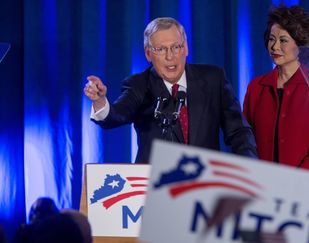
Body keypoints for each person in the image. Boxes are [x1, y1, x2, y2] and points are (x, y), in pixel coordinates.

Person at [84, 17, 257, 163]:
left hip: (204, 185)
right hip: (155, 187)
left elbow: (238, 131)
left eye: (176, 47)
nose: (170, 56)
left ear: (186, 48)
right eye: (161, 49)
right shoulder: (138, 84)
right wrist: (100, 101)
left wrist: (248, 168)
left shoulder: (213, 78)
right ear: (148, 54)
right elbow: (116, 115)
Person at [243, 5, 309, 173]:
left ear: (300, 44)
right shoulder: (256, 87)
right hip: (263, 184)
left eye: (283, 40)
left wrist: (295, 182)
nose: (275, 46)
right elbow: (246, 139)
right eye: (272, 39)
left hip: (308, 186)